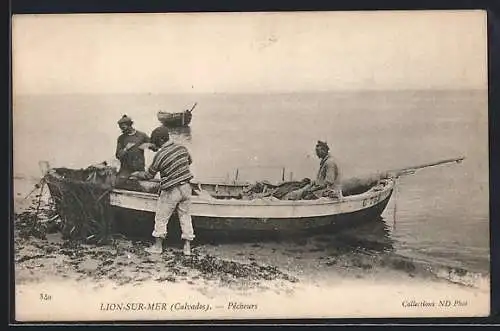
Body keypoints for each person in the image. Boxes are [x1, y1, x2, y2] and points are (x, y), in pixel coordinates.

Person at [130, 126, 195, 256]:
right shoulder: (182, 148)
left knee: (161, 217)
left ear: (160, 140)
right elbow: (190, 161)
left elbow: (149, 175)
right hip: (187, 187)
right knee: (185, 216)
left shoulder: (160, 155)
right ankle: (187, 248)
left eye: (155, 142)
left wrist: (136, 174)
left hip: (172, 190)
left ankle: (158, 246)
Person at [115, 115, 151, 183]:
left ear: (130, 125)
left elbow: (154, 146)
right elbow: (118, 155)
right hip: (125, 171)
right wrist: (126, 149)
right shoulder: (121, 138)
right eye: (121, 128)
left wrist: (146, 145)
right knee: (119, 184)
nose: (122, 130)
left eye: (123, 127)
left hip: (139, 169)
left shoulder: (141, 135)